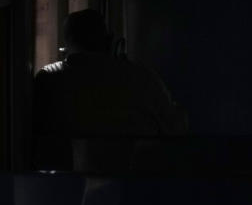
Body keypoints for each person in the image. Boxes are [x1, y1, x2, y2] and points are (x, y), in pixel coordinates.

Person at [33, 9, 187, 166]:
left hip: (68, 183)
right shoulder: (142, 77)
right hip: (134, 180)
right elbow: (174, 129)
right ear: (109, 40)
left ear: (66, 44)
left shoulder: (48, 78)